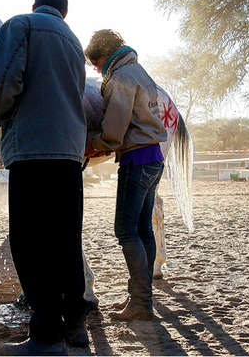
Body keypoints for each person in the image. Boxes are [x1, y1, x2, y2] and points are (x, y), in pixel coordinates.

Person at [0, 0, 88, 355]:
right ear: (63, 12)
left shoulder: (20, 26)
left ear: (35, 5)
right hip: (70, 153)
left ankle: (46, 336)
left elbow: (6, 81)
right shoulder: (73, 42)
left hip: (32, 150)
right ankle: (75, 324)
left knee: (30, 243)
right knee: (66, 241)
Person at [84, 29, 168, 321]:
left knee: (125, 230)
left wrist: (90, 144)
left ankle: (141, 302)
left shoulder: (119, 78)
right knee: (144, 228)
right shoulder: (139, 70)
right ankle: (142, 299)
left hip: (136, 160)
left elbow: (114, 132)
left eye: (96, 64)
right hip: (154, 157)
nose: (97, 70)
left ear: (104, 55)